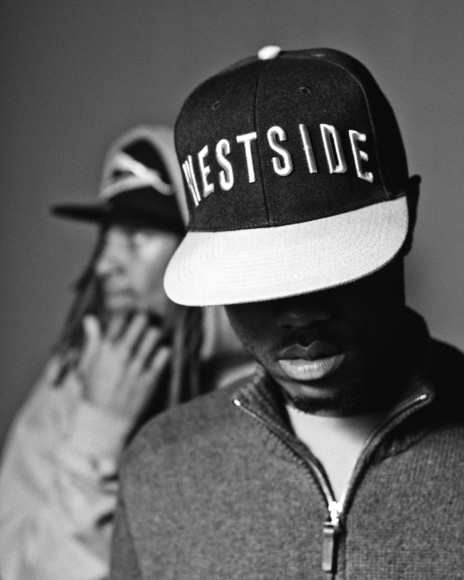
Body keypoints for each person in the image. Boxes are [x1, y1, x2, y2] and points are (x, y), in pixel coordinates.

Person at [110, 48, 464, 579]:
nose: (300, 313)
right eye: (257, 277)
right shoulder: (159, 467)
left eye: (331, 264)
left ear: (408, 216)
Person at [0, 125, 251, 580]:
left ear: (200, 247)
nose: (103, 264)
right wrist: (97, 430)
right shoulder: (79, 375)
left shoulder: (274, 389)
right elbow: (14, 567)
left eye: (136, 236)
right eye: (106, 236)